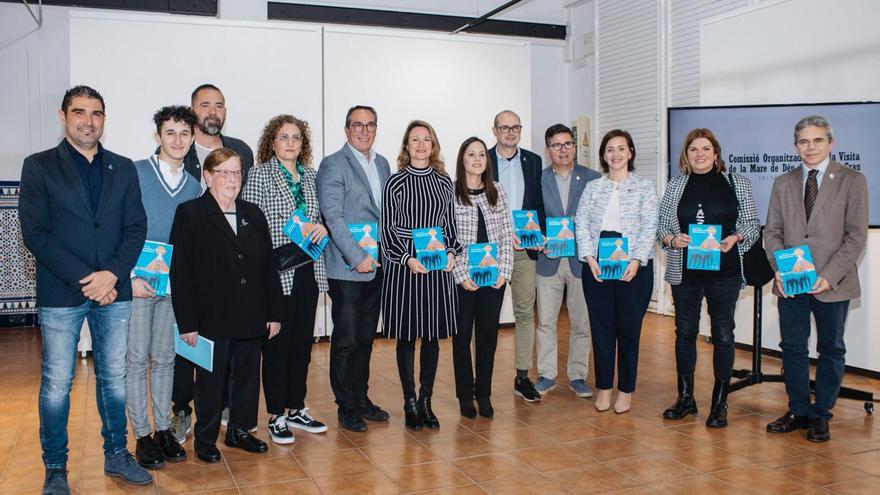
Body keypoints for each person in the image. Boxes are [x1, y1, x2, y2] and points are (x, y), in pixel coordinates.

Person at [19, 85, 151, 493]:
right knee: (58, 383)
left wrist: (112, 275)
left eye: (96, 113)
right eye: (79, 112)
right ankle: (55, 469)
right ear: (63, 116)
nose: (88, 121)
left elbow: (136, 227)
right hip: (63, 293)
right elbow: (36, 235)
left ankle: (116, 454)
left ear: (104, 120)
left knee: (114, 378)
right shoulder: (39, 165)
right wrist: (90, 281)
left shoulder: (123, 167)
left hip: (115, 291)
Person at [169, 148, 283, 462]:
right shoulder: (190, 213)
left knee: (247, 376)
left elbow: (268, 267)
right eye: (224, 172)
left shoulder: (253, 213)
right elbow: (181, 272)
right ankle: (205, 439)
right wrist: (187, 322)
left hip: (251, 313)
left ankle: (240, 430)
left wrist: (273, 313)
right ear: (207, 177)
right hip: (211, 316)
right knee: (210, 382)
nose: (231, 179)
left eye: (236, 172)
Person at [764, 116, 868, 442]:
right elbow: (774, 233)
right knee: (792, 348)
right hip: (791, 283)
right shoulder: (783, 182)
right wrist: (780, 270)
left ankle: (821, 414)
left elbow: (855, 237)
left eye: (817, 140)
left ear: (831, 143)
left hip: (831, 283)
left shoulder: (853, 180)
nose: (810, 147)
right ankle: (798, 409)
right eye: (804, 142)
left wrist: (828, 276)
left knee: (831, 350)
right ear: (796, 146)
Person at [656, 128, 760, 428]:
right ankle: (686, 399)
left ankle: (719, 402)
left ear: (716, 154)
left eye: (705, 149)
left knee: (724, 335)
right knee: (685, 334)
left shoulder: (737, 183)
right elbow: (661, 226)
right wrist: (672, 239)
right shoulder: (677, 185)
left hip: (725, 272)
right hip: (686, 273)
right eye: (693, 150)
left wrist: (736, 238)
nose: (699, 154)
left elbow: (752, 223)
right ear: (686, 156)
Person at [170, 84, 255, 443]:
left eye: (219, 105)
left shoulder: (242, 152)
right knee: (188, 349)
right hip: (192, 264)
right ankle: (182, 411)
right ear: (193, 111)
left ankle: (220, 407)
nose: (213, 111)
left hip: (229, 270)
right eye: (205, 105)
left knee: (227, 353)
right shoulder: (180, 149)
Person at [241, 115, 328, 444]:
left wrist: (322, 227)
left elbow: (320, 217)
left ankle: (296, 408)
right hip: (276, 271)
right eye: (283, 137)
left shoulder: (311, 176)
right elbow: (249, 222)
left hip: (308, 269)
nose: (290, 143)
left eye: (296, 137)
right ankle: (276, 414)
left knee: (302, 346)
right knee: (277, 347)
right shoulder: (260, 174)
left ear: (302, 144)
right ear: (271, 142)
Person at [127, 106, 201, 469]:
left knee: (167, 359)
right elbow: (118, 227)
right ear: (158, 135)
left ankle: (162, 431)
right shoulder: (136, 173)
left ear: (192, 138)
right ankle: (141, 434)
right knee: (137, 359)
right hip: (140, 284)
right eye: (170, 132)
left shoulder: (193, 186)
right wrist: (129, 277)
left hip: (174, 287)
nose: (177, 140)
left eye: (184, 134)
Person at [380, 120, 463, 431]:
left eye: (426, 139)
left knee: (432, 338)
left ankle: (426, 400)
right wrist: (407, 258)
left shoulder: (445, 183)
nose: (420, 145)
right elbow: (386, 230)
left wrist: (453, 252)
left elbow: (451, 227)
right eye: (414, 140)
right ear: (406, 146)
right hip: (406, 270)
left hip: (438, 270)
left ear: (433, 145)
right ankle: (409, 401)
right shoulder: (395, 183)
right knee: (406, 337)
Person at [317, 105, 392, 432]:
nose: (364, 131)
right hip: (347, 268)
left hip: (377, 266)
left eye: (370, 125)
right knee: (346, 341)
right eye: (357, 125)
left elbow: (387, 215)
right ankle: (345, 405)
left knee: (365, 338)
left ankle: (361, 398)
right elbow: (331, 218)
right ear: (346, 129)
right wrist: (356, 255)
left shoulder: (383, 163)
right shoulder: (333, 164)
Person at [575, 130, 658, 414]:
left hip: (634, 268)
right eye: (610, 149)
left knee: (628, 331)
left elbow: (650, 226)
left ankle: (625, 390)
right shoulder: (593, 187)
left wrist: (636, 260)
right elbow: (581, 222)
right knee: (602, 330)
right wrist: (589, 256)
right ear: (604, 155)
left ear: (630, 153)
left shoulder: (645, 187)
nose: (616, 154)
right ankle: (604, 388)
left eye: (621, 149)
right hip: (598, 265)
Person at [534, 124, 599, 397]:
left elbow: (598, 219)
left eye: (568, 144)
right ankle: (547, 374)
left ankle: (577, 375)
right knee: (546, 321)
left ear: (575, 146)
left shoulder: (593, 178)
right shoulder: (538, 179)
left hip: (581, 260)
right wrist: (537, 236)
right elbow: (531, 217)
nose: (563, 150)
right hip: (548, 258)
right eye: (556, 145)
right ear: (548, 149)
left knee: (581, 322)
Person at [452, 137, 514, 418]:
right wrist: (461, 275)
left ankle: (484, 393)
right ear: (462, 159)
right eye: (470, 154)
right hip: (463, 278)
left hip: (493, 277)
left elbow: (505, 233)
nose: (477, 159)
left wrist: (504, 273)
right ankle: (465, 395)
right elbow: (448, 239)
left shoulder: (497, 191)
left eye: (481, 154)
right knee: (461, 337)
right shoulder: (451, 192)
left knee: (488, 336)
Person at [487, 110, 545, 403]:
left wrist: (540, 234)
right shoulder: (481, 159)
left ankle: (522, 377)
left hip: (524, 249)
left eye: (515, 127)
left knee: (525, 312)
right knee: (485, 317)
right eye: (504, 127)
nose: (510, 132)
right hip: (491, 251)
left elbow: (538, 204)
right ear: (494, 130)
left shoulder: (533, 161)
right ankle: (478, 379)